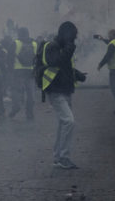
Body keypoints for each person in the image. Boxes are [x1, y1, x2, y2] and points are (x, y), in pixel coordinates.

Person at [42, 21, 87, 170]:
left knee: (63, 123)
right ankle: (63, 157)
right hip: (55, 91)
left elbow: (66, 67)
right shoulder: (52, 46)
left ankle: (58, 157)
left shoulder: (62, 47)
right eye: (72, 37)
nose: (73, 40)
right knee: (69, 121)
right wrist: (69, 47)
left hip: (65, 90)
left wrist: (78, 75)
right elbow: (55, 62)